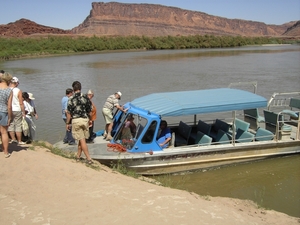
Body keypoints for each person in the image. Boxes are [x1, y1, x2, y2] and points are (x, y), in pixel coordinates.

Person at [66, 81, 93, 164]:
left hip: (76, 120)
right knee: (82, 139)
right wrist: (91, 120)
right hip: (85, 120)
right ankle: (78, 156)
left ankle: (89, 158)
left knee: (81, 140)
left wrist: (67, 123)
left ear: (73, 89)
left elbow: (69, 113)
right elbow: (90, 111)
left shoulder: (70, 99)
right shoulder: (86, 97)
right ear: (80, 88)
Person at [8, 77, 26, 145]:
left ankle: (13, 139)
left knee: (11, 124)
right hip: (17, 109)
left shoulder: (7, 89)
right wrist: (23, 112)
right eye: (18, 83)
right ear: (16, 83)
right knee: (18, 125)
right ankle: (19, 140)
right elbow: (21, 103)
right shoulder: (18, 90)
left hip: (9, 109)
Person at [0, 72, 13, 157]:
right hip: (3, 111)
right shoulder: (9, 90)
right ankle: (6, 152)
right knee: (4, 132)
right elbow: (9, 106)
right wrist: (10, 117)